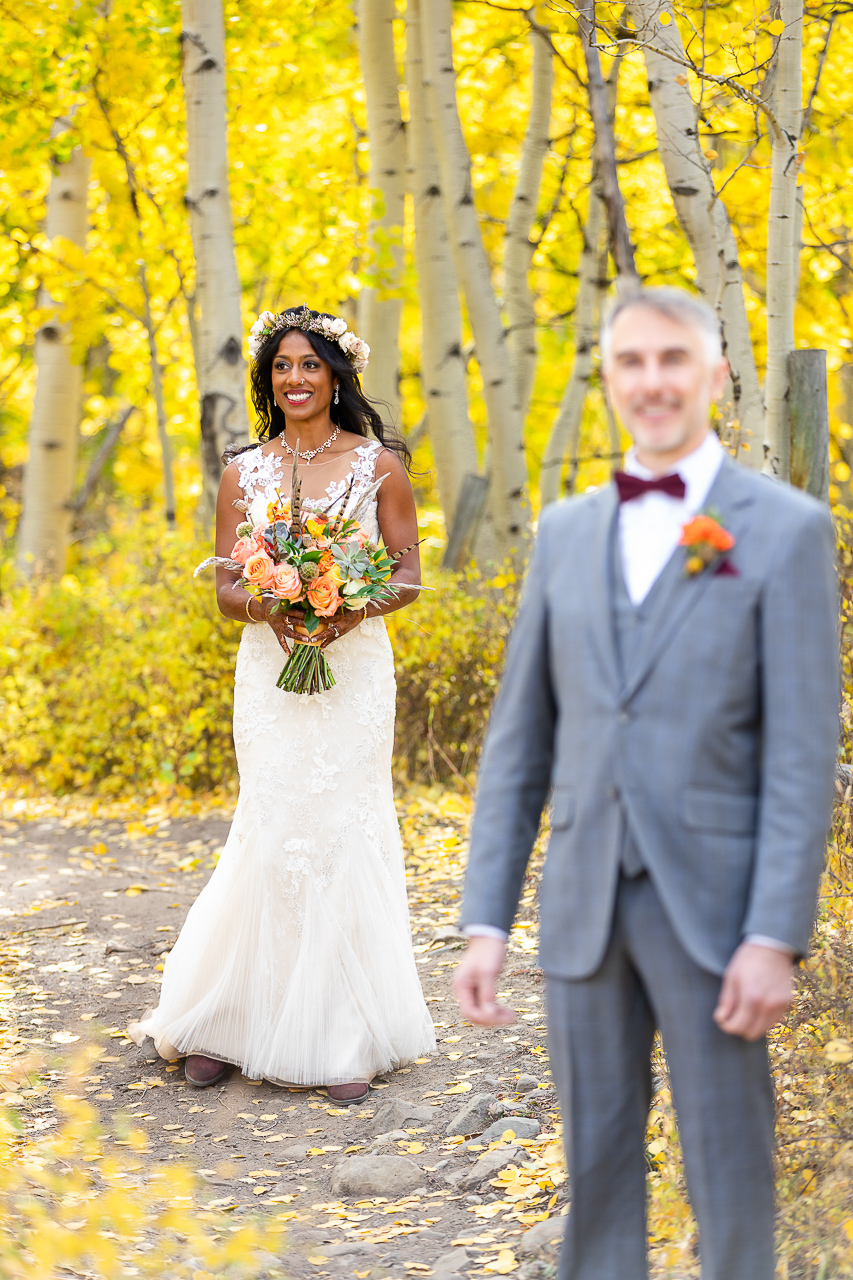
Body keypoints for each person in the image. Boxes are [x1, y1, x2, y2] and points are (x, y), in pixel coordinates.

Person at [453, 288, 838, 1279]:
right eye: (631, 361)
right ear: (609, 379)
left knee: (729, 1172)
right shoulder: (564, 532)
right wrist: (484, 918)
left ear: (712, 375)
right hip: (581, 901)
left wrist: (772, 934)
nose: (653, 380)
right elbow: (518, 743)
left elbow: (799, 755)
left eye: (673, 359)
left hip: (714, 911)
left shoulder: (785, 530)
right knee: (596, 1168)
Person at [129, 305, 435, 1103]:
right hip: (268, 668)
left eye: (309, 365)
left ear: (337, 375)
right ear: (268, 381)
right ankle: (228, 1019)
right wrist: (274, 606)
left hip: (354, 667)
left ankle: (342, 1033)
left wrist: (346, 610)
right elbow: (227, 587)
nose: (294, 380)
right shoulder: (245, 471)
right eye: (281, 367)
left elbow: (405, 573)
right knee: (271, 823)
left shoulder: (379, 467)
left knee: (340, 825)